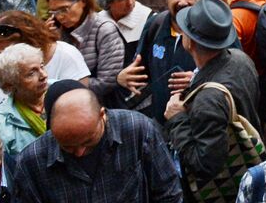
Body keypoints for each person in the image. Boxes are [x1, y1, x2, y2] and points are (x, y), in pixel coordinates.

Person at [10, 87, 182, 203]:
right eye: (67, 147)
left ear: (102, 115)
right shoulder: (32, 162)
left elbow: (169, 193)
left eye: (87, 141)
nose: (79, 152)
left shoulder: (138, 131)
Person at [164, 0, 264, 196]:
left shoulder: (208, 99)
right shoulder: (240, 59)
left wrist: (177, 119)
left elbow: (204, 166)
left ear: (190, 41)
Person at [0, 9, 90, 123]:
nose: (2, 56)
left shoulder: (66, 56)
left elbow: (82, 105)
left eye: (7, 50)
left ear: (31, 42)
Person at [116, 0, 201, 123]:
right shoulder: (155, 25)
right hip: (160, 123)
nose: (182, 2)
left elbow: (232, 75)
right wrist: (123, 78)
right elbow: (140, 71)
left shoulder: (213, 29)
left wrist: (199, 79)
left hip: (198, 124)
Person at [45, 0, 123, 104]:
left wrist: (63, 85)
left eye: (64, 9)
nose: (60, 16)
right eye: (54, 12)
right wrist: (47, 41)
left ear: (82, 1)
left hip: (96, 103)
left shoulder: (105, 29)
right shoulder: (58, 31)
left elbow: (107, 81)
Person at [0, 41, 49, 171]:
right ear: (10, 85)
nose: (44, 75)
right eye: (31, 73)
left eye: (42, 66)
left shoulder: (64, 93)